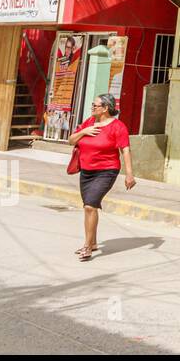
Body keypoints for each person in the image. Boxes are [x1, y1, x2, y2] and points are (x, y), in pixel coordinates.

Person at [67, 93, 135, 262]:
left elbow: (125, 150)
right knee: (89, 207)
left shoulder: (118, 127)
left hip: (107, 171)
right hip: (86, 171)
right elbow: (70, 141)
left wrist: (129, 174)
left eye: (95, 105)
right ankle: (94, 242)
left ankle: (87, 246)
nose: (92, 108)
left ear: (106, 108)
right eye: (92, 105)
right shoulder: (89, 122)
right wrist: (84, 131)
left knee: (90, 205)